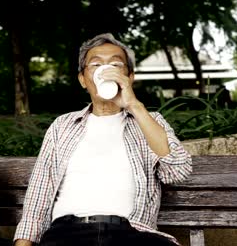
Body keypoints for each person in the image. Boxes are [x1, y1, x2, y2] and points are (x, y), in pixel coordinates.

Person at [13, 33, 192, 246]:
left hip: (133, 234)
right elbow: (37, 198)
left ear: (130, 77)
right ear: (82, 79)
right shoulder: (62, 126)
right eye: (96, 64)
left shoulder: (150, 122)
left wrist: (134, 105)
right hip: (67, 234)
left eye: (116, 64)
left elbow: (178, 171)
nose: (106, 71)